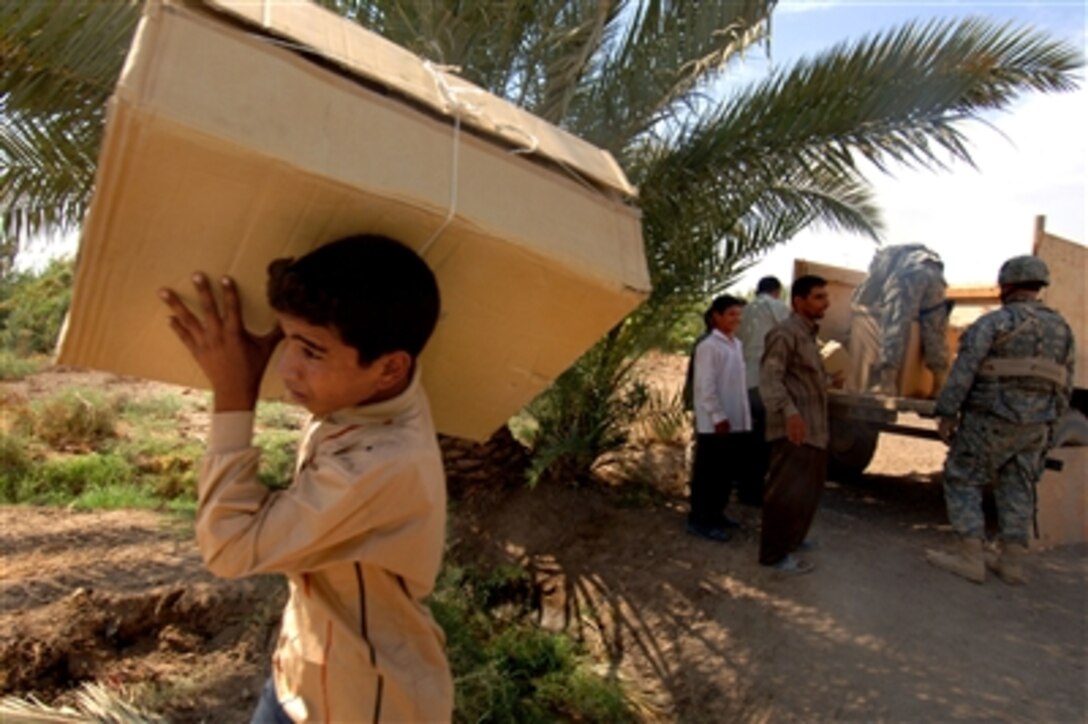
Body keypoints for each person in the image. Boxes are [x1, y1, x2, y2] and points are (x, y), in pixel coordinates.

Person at [158, 235, 453, 722]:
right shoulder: (376, 392)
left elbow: (229, 548)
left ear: (390, 368)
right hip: (301, 673)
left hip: (365, 704)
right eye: (284, 338)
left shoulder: (380, 463)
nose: (286, 367)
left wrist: (234, 393)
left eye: (311, 351)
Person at [926, 255, 1074, 585]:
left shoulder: (996, 323)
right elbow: (1065, 382)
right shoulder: (1063, 329)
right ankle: (1012, 564)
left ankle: (970, 558)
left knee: (962, 477)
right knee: (1018, 485)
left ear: (1006, 286)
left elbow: (964, 372)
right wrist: (1051, 426)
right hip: (1037, 424)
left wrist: (947, 413)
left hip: (990, 419)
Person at [758, 275, 832, 574]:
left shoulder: (808, 336)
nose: (825, 303)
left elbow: (801, 377)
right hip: (795, 429)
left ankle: (793, 540)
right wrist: (789, 413)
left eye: (826, 297)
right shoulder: (785, 333)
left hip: (814, 431)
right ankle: (775, 554)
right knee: (787, 494)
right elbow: (770, 379)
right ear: (798, 302)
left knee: (807, 493)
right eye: (817, 297)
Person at [687, 295, 752, 542]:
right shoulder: (709, 346)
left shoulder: (735, 344)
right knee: (708, 473)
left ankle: (716, 513)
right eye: (731, 314)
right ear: (716, 316)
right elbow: (706, 386)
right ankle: (699, 519)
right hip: (716, 424)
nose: (736, 320)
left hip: (733, 420)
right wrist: (717, 416)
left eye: (738, 314)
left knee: (725, 472)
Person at [847, 244, 951, 396]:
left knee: (895, 324)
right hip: (936, 272)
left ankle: (887, 384)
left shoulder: (883, 255)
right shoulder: (918, 253)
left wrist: (857, 305)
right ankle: (939, 385)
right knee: (934, 328)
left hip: (909, 274)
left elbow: (870, 286)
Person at [736, 276, 791, 504]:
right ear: (777, 291)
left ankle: (742, 488)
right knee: (763, 443)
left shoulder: (743, 311)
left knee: (747, 440)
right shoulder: (778, 308)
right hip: (766, 381)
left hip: (745, 381)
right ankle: (753, 492)